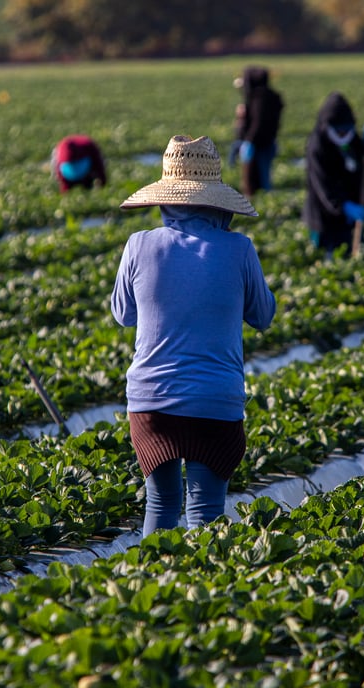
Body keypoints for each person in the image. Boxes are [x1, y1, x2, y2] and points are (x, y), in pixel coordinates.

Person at [111, 135, 277, 535]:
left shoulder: (139, 245)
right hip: (214, 400)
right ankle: (201, 591)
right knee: (205, 512)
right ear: (219, 203)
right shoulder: (240, 249)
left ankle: (154, 590)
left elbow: (123, 315)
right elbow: (263, 315)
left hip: (151, 400)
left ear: (165, 198)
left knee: (161, 503)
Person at [303, 91, 364, 260]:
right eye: (339, 132)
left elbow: (358, 163)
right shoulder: (318, 145)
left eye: (346, 131)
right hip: (326, 214)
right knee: (331, 255)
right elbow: (322, 185)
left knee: (353, 249)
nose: (343, 136)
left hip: (349, 211)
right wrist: (343, 206)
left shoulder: (351, 137)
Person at [234, 65, 284, 197]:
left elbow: (258, 123)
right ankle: (264, 200)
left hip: (257, 145)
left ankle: (256, 204)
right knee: (265, 176)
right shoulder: (273, 97)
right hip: (269, 142)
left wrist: (249, 140)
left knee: (253, 178)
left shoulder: (258, 99)